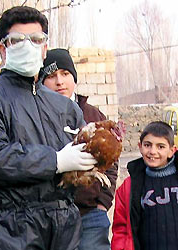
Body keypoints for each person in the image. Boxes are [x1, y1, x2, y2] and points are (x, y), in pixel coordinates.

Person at [0, 6, 97, 250]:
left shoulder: (64, 106)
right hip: (13, 227)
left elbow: (86, 155)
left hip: (65, 225)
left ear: (45, 47)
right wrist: (54, 161)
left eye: (36, 40)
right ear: (3, 49)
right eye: (18, 40)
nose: (28, 46)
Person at [38, 48, 118, 250]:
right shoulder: (35, 116)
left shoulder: (94, 115)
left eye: (65, 74)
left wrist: (102, 203)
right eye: (51, 76)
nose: (59, 82)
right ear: (41, 81)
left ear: (74, 78)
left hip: (90, 215)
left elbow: (112, 164)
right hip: (49, 215)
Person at [111, 121, 178, 250]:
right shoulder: (128, 187)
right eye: (147, 145)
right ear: (140, 146)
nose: (153, 151)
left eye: (160, 146)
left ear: (172, 150)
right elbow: (121, 229)